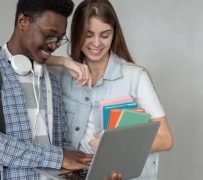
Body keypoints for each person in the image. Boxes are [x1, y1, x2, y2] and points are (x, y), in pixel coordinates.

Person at [0, 0, 95, 179]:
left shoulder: (51, 78)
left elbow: (64, 145)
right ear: (23, 22)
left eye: (59, 39)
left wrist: (88, 169)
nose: (53, 45)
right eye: (49, 35)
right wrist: (56, 158)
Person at [47, 0, 174, 179]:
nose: (96, 43)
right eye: (88, 35)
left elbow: (165, 139)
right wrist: (63, 61)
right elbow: (24, 57)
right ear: (76, 34)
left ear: (114, 34)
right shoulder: (63, 73)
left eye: (105, 35)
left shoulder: (135, 77)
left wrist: (112, 147)